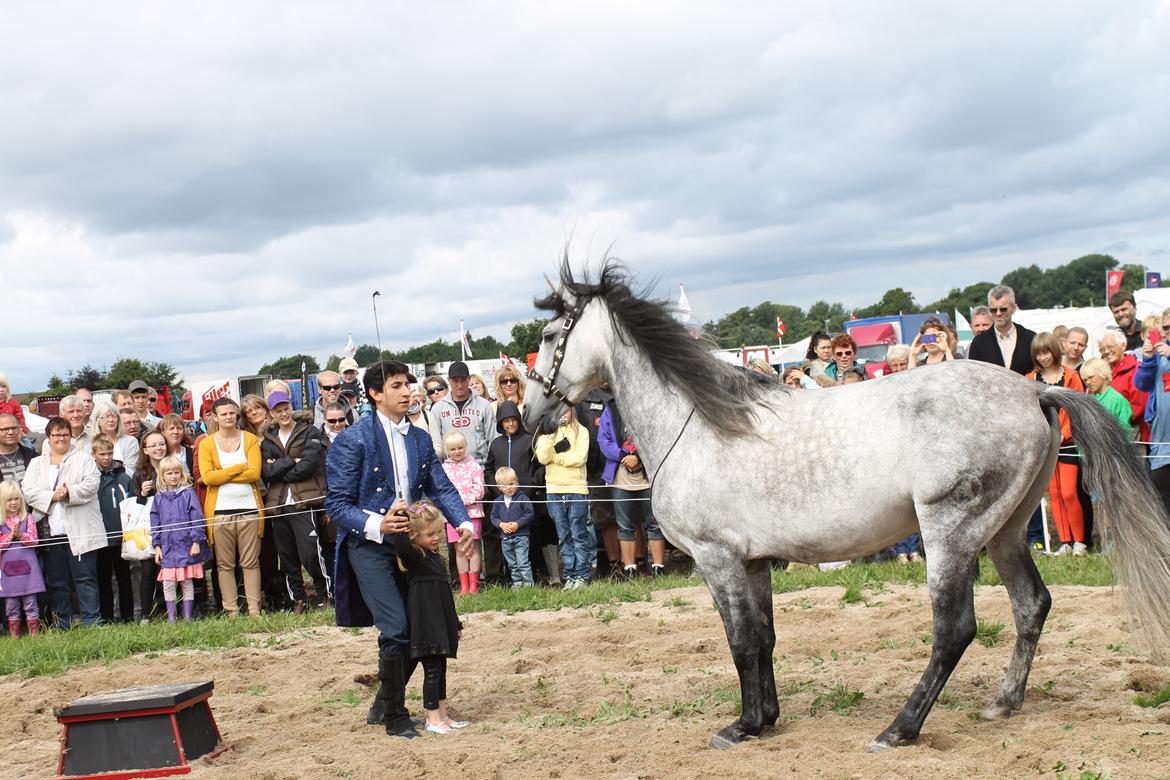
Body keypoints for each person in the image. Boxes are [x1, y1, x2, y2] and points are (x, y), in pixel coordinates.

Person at [324, 360, 474, 739]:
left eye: (408, 383)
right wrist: (378, 523)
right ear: (375, 393)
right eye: (396, 385)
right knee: (397, 627)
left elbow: (439, 486)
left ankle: (381, 705)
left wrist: (464, 522)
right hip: (368, 544)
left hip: (409, 544)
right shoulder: (352, 439)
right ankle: (395, 716)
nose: (407, 390)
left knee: (417, 628)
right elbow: (336, 505)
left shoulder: (421, 438)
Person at [393, 501, 468, 735]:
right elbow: (401, 546)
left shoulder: (436, 558)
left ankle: (443, 715)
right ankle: (432, 718)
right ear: (413, 535)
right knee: (432, 671)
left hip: (440, 621)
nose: (436, 538)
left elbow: (445, 597)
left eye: (439, 532)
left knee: (441, 669)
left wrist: (454, 623)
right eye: (430, 534)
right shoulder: (416, 559)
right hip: (426, 624)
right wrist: (400, 518)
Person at [21, 416, 104, 628]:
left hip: (79, 530)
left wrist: (69, 493)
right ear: (48, 437)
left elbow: (91, 485)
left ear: (70, 436)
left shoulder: (84, 459)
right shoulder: (37, 463)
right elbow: (28, 491)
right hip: (50, 531)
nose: (61, 438)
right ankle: (62, 623)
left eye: (65, 434)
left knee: (85, 579)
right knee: (58, 583)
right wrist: (52, 497)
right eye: (56, 434)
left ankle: (91, 622)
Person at [261, 390, 331, 612]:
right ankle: (298, 599)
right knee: (287, 556)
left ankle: (324, 594)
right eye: (278, 410)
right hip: (279, 504)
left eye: (286, 408)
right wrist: (291, 460)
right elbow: (266, 472)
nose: (284, 413)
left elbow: (308, 465)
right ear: (271, 413)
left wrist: (280, 466)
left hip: (304, 501)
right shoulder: (267, 440)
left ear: (292, 407)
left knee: (311, 552)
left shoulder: (308, 431)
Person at [198, 397, 265, 617]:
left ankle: (254, 609)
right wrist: (237, 468)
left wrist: (223, 475)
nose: (228, 417)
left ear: (237, 414)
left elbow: (254, 473)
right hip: (219, 512)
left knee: (250, 562)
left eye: (231, 413)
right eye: (223, 414)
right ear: (215, 417)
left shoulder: (249, 439)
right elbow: (208, 478)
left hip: (249, 509)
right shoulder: (208, 443)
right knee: (224, 565)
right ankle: (231, 610)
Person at [1025, 333, 1087, 556]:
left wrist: (1066, 433)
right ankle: (1065, 542)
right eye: (1038, 353)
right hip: (1046, 446)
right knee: (1055, 494)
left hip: (1068, 444)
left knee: (1070, 493)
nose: (1043, 357)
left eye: (1046, 352)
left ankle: (1080, 541)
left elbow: (1079, 410)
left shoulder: (1071, 376)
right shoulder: (1030, 380)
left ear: (1055, 351)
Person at [598, 399, 666, 578]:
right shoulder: (610, 409)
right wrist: (623, 455)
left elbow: (655, 436)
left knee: (654, 522)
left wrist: (638, 457)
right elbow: (603, 439)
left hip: (647, 475)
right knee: (624, 525)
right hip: (620, 476)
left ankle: (658, 567)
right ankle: (630, 568)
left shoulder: (646, 405)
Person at [485, 400, 550, 585]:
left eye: (514, 419)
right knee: (507, 540)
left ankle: (535, 576)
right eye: (506, 420)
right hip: (503, 500)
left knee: (530, 539)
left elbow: (541, 467)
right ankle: (512, 578)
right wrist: (495, 488)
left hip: (526, 498)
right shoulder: (496, 444)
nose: (511, 424)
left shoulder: (530, 440)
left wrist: (531, 486)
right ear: (500, 423)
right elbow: (488, 469)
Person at [535, 407, 592, 590]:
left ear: (572, 411)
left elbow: (579, 458)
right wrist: (551, 436)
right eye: (558, 412)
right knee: (563, 534)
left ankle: (582, 574)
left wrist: (557, 458)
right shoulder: (546, 433)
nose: (562, 414)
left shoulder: (582, 431)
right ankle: (570, 574)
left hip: (577, 489)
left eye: (565, 411)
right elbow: (543, 457)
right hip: (554, 489)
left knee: (579, 533)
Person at [151, 455, 211, 622]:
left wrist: (196, 542)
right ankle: (171, 617)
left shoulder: (188, 494)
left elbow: (197, 518)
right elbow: (155, 523)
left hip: (186, 546)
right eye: (169, 473)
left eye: (177, 472)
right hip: (168, 548)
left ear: (182, 473)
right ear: (162, 476)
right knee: (168, 582)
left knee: (186, 581)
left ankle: (188, 616)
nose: (173, 476)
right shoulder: (158, 498)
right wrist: (157, 546)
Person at [92, 435, 135, 623]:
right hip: (100, 535)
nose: (106, 457)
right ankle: (107, 617)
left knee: (124, 577)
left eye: (109, 453)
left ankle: (128, 616)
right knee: (103, 579)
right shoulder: (91, 477)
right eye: (102, 454)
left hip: (121, 535)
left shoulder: (123, 476)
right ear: (93, 454)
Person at [130, 430, 169, 619]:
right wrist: (142, 494)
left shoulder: (173, 466)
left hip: (172, 525)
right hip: (148, 530)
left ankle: (169, 610)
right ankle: (146, 614)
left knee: (171, 570)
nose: (158, 448)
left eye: (161, 444)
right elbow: (133, 506)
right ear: (145, 450)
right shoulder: (140, 474)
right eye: (153, 445)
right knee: (147, 571)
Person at [441, 432, 485, 595]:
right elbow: (443, 491)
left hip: (472, 512)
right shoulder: (444, 468)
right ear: (447, 450)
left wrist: (463, 500)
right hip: (452, 516)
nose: (457, 452)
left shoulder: (474, 466)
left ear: (466, 447)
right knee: (459, 550)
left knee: (472, 548)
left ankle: (474, 584)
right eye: (453, 449)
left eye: (460, 448)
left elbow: (480, 489)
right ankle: (464, 585)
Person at [1136, 313, 1170, 516]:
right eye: (1166, 328)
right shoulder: (1159, 355)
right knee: (1163, 494)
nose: (1169, 331)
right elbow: (1141, 383)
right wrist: (1148, 360)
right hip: (1162, 439)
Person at [0, 480, 45, 636]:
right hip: (7, 571)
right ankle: (15, 637)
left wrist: (21, 535)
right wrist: (10, 536)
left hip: (28, 569)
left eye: (16, 499)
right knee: (11, 605)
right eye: (9, 500)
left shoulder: (28, 518)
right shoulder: (1, 522)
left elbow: (34, 540)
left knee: (31, 603)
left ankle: (35, 635)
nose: (14, 503)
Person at [427, 362, 495, 462]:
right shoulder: (438, 408)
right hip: (450, 469)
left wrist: (490, 468)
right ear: (449, 380)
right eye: (455, 381)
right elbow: (436, 443)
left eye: (463, 380)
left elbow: (492, 438)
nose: (460, 385)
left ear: (469, 379)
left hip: (480, 467)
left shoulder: (484, 405)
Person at [967, 285, 1036, 373]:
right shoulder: (978, 343)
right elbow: (974, 376)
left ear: (1014, 308)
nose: (998, 313)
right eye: (993, 310)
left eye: (1003, 309)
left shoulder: (1030, 339)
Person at [1099, 328, 1147, 443]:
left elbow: (1138, 406)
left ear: (1123, 345)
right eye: (1102, 349)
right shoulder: (1102, 373)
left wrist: (1115, 423)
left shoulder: (1135, 369)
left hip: (1129, 431)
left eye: (1110, 347)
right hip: (1107, 434)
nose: (1106, 351)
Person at [490, 467, 535, 587]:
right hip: (505, 538)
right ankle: (517, 583)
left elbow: (529, 514)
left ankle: (528, 585)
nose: (509, 488)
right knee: (512, 563)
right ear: (499, 487)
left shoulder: (523, 498)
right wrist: (501, 524)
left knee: (522, 562)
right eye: (504, 485)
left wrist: (517, 524)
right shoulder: (498, 502)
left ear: (517, 482)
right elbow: (493, 517)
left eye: (511, 484)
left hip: (521, 537)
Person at [1083, 357, 1134, 437]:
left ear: (1103, 374)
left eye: (1091, 377)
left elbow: (1125, 433)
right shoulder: (1089, 401)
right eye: (1085, 380)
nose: (1088, 382)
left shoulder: (1118, 400)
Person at [91, 401, 140, 477]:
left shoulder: (130, 441)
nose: (111, 420)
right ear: (98, 421)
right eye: (106, 416)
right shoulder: (91, 443)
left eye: (114, 416)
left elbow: (131, 472)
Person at [0, 413, 37, 486]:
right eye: (5, 429)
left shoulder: (33, 456)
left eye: (14, 428)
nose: (10, 432)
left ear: (20, 429)